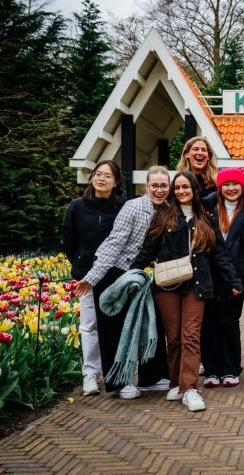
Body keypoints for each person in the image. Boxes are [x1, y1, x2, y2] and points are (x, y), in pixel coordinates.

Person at [132, 171, 243, 412]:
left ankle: (190, 388)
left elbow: (220, 254)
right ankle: (176, 383)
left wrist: (233, 281)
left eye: (186, 187)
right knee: (173, 337)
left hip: (198, 285)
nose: (181, 191)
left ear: (194, 190)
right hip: (167, 285)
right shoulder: (163, 216)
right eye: (178, 188)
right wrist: (131, 273)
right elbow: (149, 249)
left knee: (191, 335)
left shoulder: (206, 217)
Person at [73, 166, 172, 399]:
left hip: (138, 274)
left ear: (169, 187)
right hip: (113, 271)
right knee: (113, 330)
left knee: (150, 322)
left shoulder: (169, 210)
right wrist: (93, 277)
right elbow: (114, 243)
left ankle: (152, 377)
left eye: (163, 185)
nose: (159, 190)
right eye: (154, 185)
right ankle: (119, 383)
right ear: (147, 186)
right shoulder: (133, 207)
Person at [62, 159, 126, 396]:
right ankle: (90, 373)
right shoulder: (77, 206)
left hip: (114, 276)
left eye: (108, 176)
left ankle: (118, 374)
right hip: (86, 276)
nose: (102, 179)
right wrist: (80, 264)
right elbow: (69, 240)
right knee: (89, 325)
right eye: (98, 174)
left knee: (115, 325)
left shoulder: (123, 206)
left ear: (116, 182)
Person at [201, 168, 244, 387]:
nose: (231, 189)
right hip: (212, 275)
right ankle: (212, 370)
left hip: (237, 276)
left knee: (230, 322)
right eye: (226, 185)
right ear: (220, 188)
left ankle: (231, 369)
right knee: (210, 323)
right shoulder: (207, 208)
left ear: (242, 186)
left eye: (236, 184)